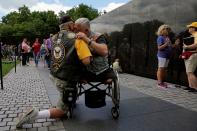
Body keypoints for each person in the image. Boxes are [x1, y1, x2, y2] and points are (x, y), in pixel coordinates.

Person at [15, 15, 92, 128]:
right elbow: (86, 61)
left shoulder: (54, 38)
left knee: (66, 95)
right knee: (62, 111)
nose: (75, 26)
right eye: (73, 24)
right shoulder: (78, 39)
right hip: (65, 79)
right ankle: (34, 115)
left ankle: (68, 100)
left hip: (54, 74)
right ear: (70, 25)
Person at [75, 17, 116, 82]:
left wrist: (86, 39)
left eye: (78, 30)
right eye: (75, 29)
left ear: (86, 30)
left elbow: (104, 51)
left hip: (103, 70)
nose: (76, 32)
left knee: (112, 78)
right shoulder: (76, 38)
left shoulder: (98, 36)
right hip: (86, 71)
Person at [182, 22, 197, 92]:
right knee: (188, 72)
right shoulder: (192, 36)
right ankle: (191, 86)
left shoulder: (196, 34)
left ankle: (195, 88)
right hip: (188, 55)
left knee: (190, 72)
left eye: (190, 27)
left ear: (194, 28)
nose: (188, 28)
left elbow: (196, 45)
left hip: (193, 55)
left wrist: (186, 47)